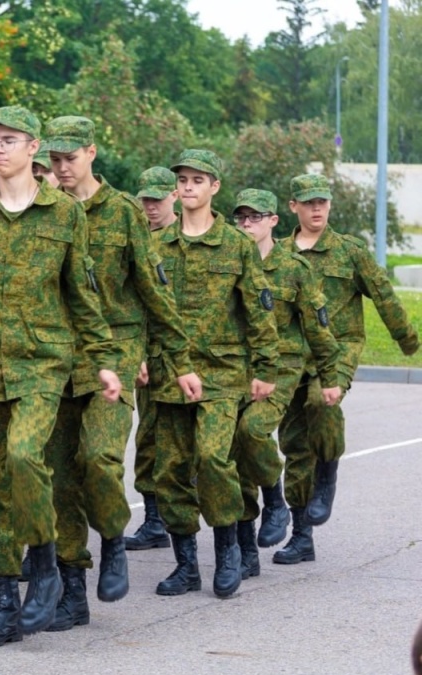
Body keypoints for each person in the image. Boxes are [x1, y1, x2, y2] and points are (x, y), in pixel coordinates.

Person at [0, 105, 122, 648]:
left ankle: (44, 564)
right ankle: (3, 607)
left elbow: (81, 295)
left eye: (8, 140)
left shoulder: (65, 214)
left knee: (23, 456)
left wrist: (104, 358)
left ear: (33, 147)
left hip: (43, 363)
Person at [42, 116, 199, 627]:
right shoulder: (44, 211)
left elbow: (154, 290)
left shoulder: (124, 212)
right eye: (54, 160)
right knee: (59, 477)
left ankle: (111, 538)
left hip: (115, 350)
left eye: (70, 158)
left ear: (91, 153)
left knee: (99, 457)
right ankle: (72, 591)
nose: (61, 168)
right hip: (57, 354)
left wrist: (178, 361)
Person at [149, 149, 279, 600]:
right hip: (169, 374)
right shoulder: (156, 245)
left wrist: (266, 367)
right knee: (169, 471)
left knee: (211, 459)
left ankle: (228, 552)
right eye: (182, 180)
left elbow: (259, 309)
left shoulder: (236, 245)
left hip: (222, 374)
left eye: (197, 180)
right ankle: (186, 564)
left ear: (214, 187)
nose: (188, 188)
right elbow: (145, 307)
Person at [275, 173, 419, 562]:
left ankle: (328, 471)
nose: (316, 208)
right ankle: (302, 535)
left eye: (322, 202)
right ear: (293, 207)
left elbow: (383, 294)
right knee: (294, 442)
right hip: (292, 355)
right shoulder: (278, 254)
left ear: (329, 205)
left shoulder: (348, 251)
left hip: (338, 349)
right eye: (309, 202)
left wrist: (408, 341)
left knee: (321, 402)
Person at [228, 188, 346, 578]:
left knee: (254, 430)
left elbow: (319, 329)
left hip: (282, 366)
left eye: (255, 217)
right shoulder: (228, 263)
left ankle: (277, 502)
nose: (247, 224)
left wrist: (330, 378)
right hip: (234, 367)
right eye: (241, 217)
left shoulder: (294, 268)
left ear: (273, 221)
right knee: (233, 455)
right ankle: (246, 549)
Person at [125, 166, 180, 552]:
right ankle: (155, 520)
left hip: (185, 355)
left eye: (157, 200)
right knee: (148, 439)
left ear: (173, 196)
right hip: (148, 354)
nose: (150, 207)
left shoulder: (188, 238)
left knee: (190, 444)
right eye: (145, 200)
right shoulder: (134, 238)